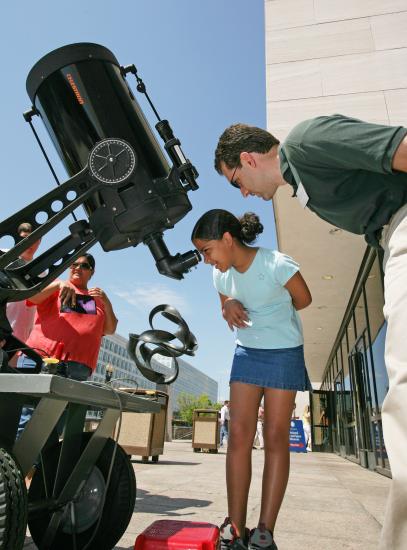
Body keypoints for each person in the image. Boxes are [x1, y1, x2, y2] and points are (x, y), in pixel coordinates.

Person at [213, 115, 407, 550]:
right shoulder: (302, 185)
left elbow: (400, 148)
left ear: (247, 158)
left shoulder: (304, 142)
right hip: (390, 237)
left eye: (235, 179)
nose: (242, 192)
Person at [191, 209, 312, 550]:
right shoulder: (221, 277)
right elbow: (225, 305)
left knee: (275, 436)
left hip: (284, 352)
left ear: (228, 239)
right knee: (239, 436)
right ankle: (234, 527)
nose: (206, 260)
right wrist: (227, 305)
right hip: (246, 354)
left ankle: (264, 532)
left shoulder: (276, 263)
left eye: (208, 250)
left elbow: (303, 299)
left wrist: (268, 313)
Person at [17, 253, 118, 438]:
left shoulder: (97, 300)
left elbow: (110, 328)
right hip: (40, 359)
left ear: (92, 272)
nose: (77, 268)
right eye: (74, 264)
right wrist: (57, 284)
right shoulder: (56, 287)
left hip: (77, 367)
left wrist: (107, 301)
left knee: (57, 423)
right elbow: (31, 299)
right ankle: (12, 465)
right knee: (26, 417)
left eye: (84, 265)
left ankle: (42, 466)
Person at [4, 222, 41, 366]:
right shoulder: (3, 257)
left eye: (34, 239)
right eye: (25, 238)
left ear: (39, 242)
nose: (29, 243)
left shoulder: (43, 272)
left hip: (18, 340)